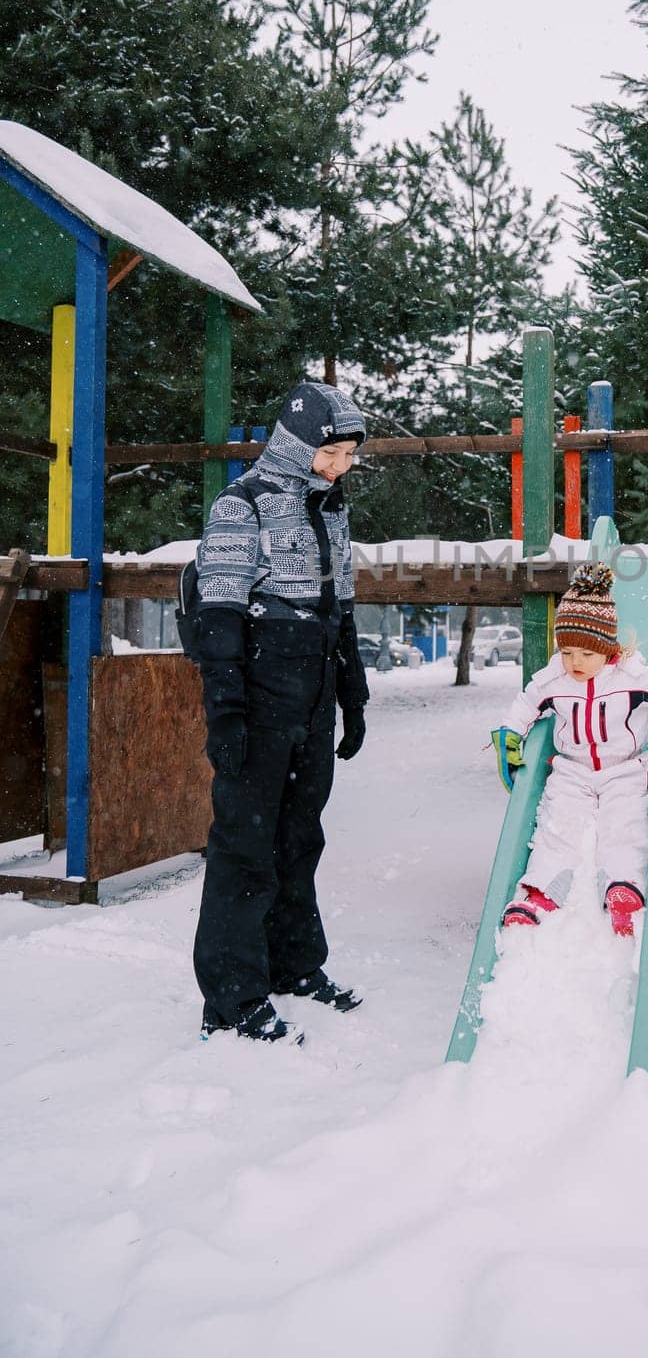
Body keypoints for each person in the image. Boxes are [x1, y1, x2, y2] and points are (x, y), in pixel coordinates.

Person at [192, 381, 370, 1043]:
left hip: (314, 688)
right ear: (298, 444)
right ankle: (232, 1000)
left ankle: (294, 965)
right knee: (245, 847)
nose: (341, 465)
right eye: (332, 453)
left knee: (299, 838)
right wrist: (227, 712)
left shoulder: (331, 510)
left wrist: (351, 695)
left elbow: (341, 606)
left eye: (349, 455)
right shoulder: (242, 506)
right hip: (262, 689)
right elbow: (218, 612)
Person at [490, 563, 648, 937]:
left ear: (607, 649)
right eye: (567, 652)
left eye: (586, 654)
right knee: (556, 825)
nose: (575, 662)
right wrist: (510, 735)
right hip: (572, 769)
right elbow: (526, 702)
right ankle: (542, 891)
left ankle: (623, 887)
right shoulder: (555, 679)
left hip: (625, 768)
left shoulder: (631, 676)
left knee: (624, 823)